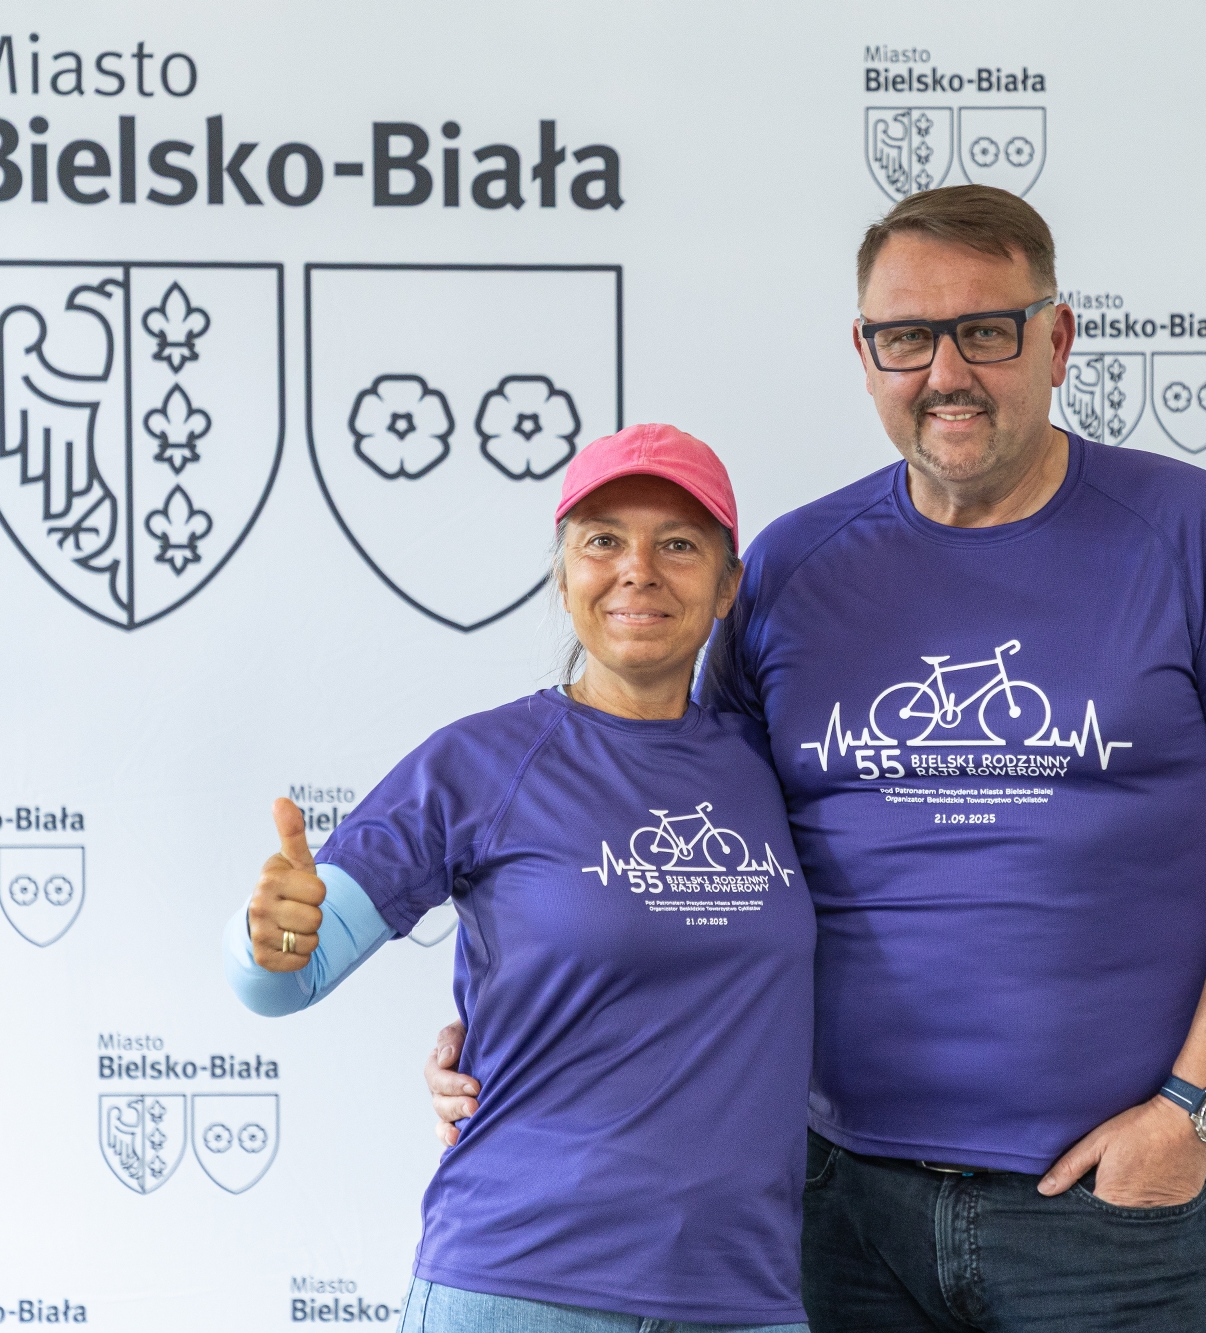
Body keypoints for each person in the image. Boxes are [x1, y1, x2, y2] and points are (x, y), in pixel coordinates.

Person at [431, 185, 1206, 1332]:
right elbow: (679, 848)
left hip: (1107, 1214)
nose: (946, 371)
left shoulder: (1187, 532)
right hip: (833, 1202)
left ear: (1057, 340)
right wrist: (517, 1026)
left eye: (986, 330)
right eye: (907, 337)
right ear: (865, 355)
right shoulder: (788, 567)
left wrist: (1194, 1112)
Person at [230, 425, 816, 1333]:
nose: (638, 570)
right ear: (562, 571)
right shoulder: (481, 762)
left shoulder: (773, 766)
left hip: (744, 1294)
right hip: (522, 1284)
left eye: (678, 544)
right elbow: (284, 980)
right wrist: (267, 938)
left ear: (728, 585)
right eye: (603, 540)